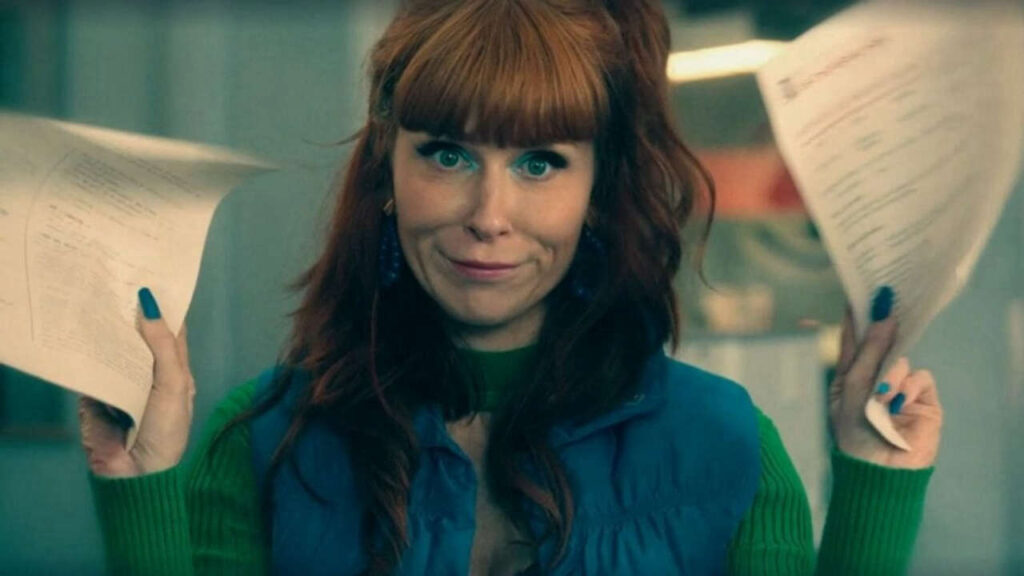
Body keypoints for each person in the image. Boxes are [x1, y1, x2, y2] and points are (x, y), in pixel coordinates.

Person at [79, 0, 943, 574]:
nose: (489, 216)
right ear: (387, 172)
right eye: (448, 155)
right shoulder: (260, 439)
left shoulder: (725, 442)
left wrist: (875, 484)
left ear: (597, 193)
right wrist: (138, 485)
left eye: (540, 163)